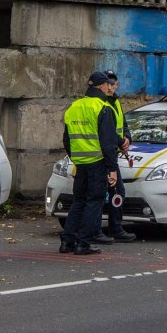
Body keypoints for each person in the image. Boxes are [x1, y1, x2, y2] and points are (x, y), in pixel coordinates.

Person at [59, 71, 121, 255]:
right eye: (107, 84)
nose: (109, 87)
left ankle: (67, 241)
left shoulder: (74, 107)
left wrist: (75, 156)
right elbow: (108, 143)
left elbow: (66, 140)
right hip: (98, 162)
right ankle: (83, 243)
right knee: (94, 201)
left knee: (78, 202)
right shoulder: (103, 107)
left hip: (81, 163)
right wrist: (112, 169)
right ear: (102, 86)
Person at [100, 70, 137, 242]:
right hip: (103, 154)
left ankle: (114, 228)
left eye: (113, 83)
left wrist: (126, 139)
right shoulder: (101, 103)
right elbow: (106, 131)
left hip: (112, 153)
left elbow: (123, 124)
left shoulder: (115, 102)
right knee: (104, 193)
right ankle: (106, 229)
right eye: (108, 83)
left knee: (116, 191)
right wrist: (120, 141)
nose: (111, 86)